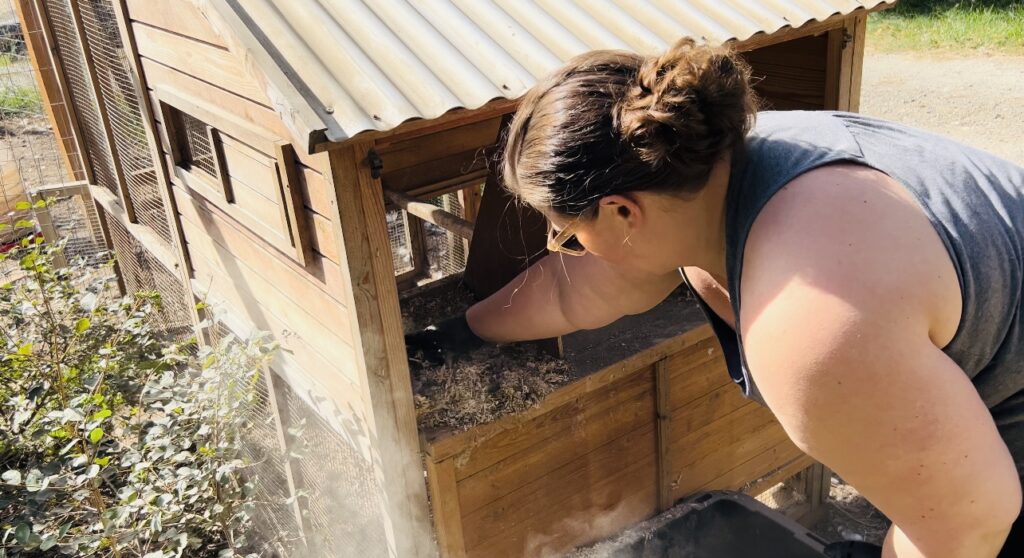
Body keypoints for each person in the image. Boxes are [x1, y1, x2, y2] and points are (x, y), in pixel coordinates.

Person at [405, 38, 1024, 558]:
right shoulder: (700, 173)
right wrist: (452, 337)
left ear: (622, 212)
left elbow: (969, 524)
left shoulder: (811, 322)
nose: (562, 248)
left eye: (566, 234)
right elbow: (580, 290)